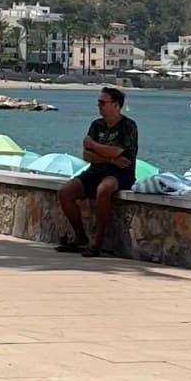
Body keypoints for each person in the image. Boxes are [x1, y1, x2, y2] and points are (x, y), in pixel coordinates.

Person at [57, 85, 138, 258]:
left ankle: (98, 242)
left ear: (116, 105)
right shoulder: (96, 125)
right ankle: (81, 238)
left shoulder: (128, 126)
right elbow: (87, 155)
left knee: (104, 190)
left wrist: (94, 146)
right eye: (98, 103)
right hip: (95, 172)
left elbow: (116, 151)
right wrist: (108, 158)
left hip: (120, 173)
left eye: (103, 102)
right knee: (65, 192)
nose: (99, 106)